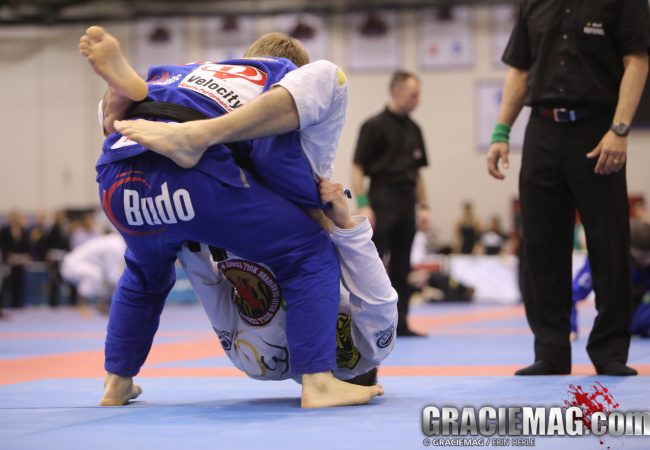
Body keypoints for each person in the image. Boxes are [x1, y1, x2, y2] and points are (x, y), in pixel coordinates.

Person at [80, 26, 382, 408]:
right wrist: (321, 216)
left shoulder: (192, 71)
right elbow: (280, 166)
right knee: (309, 251)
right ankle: (319, 383)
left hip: (118, 177)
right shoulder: (281, 81)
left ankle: (116, 382)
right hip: (192, 173)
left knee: (143, 276)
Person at [486, 0, 650, 376]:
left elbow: (637, 61)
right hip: (542, 130)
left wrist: (620, 128)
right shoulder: (534, 3)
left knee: (609, 243)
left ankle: (609, 351)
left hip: (598, 129)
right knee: (541, 247)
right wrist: (501, 132)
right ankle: (551, 351)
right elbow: (519, 69)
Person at [178, 180, 397, 387]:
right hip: (227, 214)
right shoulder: (258, 364)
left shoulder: (262, 363)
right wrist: (186, 241)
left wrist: (345, 223)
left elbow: (377, 297)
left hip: (277, 209)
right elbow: (209, 288)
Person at [350, 70, 431, 337]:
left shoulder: (415, 129)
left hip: (407, 200)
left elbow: (417, 174)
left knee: (402, 266)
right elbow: (358, 166)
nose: (418, 100)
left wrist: (424, 206)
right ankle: (368, 325)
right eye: (414, 95)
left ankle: (402, 323)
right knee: (373, 264)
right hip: (381, 197)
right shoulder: (373, 126)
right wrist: (363, 203)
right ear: (396, 92)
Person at [571, 220, 650, 340]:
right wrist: (570, 327)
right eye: (643, 255)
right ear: (628, 248)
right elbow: (572, 294)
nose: (648, 260)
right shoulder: (603, 257)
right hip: (617, 311)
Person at [60, 232, 126, 314]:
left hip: (74, 263)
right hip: (72, 266)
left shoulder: (116, 241)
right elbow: (112, 276)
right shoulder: (116, 247)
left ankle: (102, 305)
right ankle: (82, 306)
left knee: (104, 278)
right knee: (96, 274)